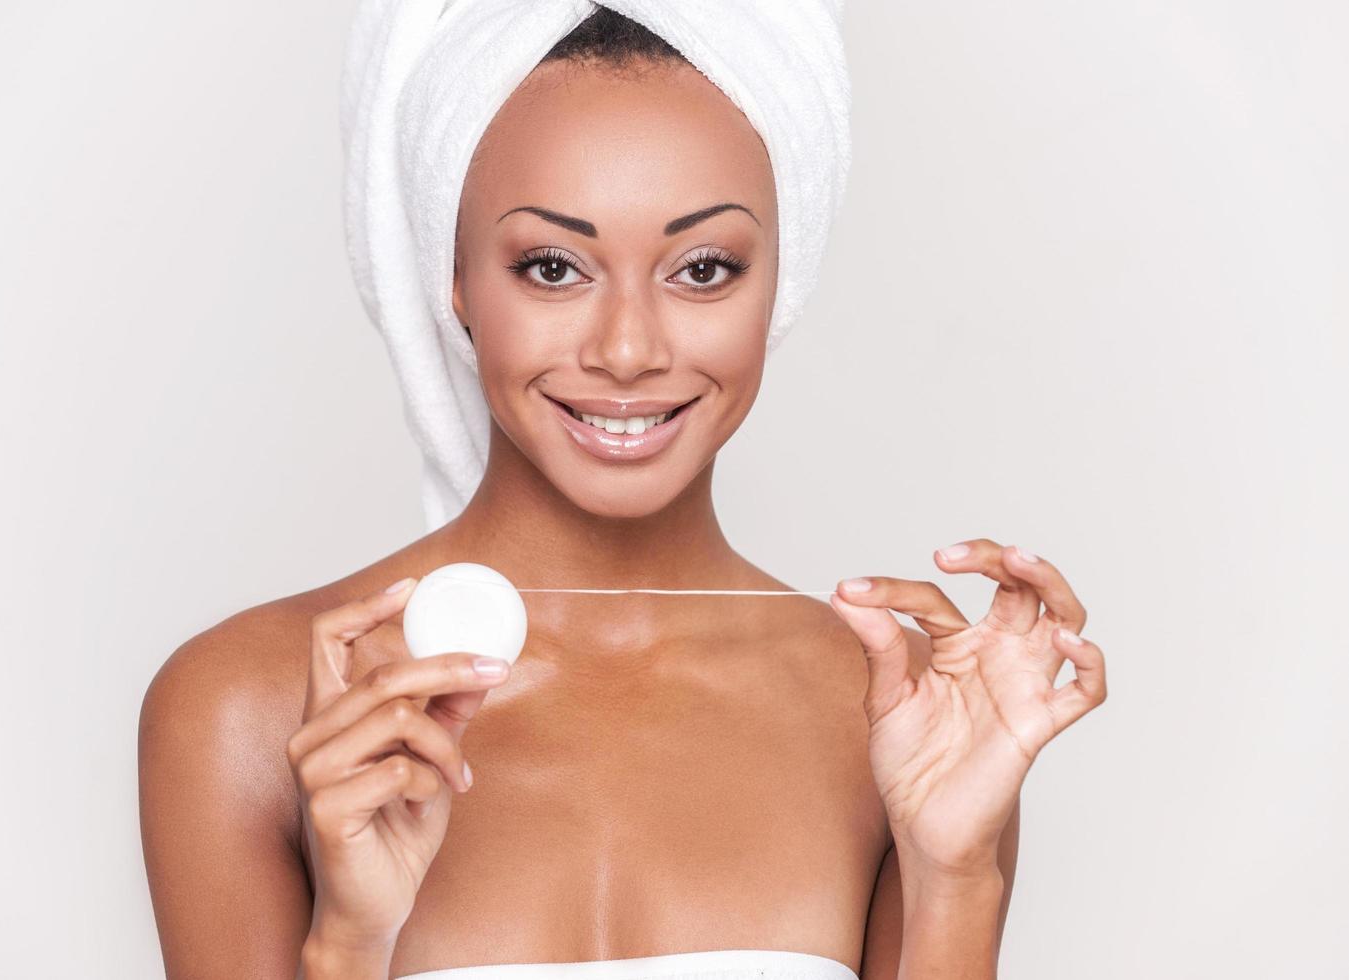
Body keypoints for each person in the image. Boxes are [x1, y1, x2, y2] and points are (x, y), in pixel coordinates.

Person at [138, 7, 1107, 980]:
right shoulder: (252, 708)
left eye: (703, 269)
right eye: (552, 267)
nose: (629, 350)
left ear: (784, 280)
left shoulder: (896, 713)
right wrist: (349, 944)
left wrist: (956, 875)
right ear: (455, 278)